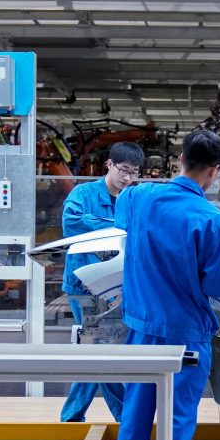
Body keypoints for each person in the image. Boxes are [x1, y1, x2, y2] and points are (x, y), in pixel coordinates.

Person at [114, 130, 220, 440]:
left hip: (140, 327)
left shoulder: (137, 197)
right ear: (215, 172)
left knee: (135, 412)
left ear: (180, 160)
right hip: (185, 335)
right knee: (177, 420)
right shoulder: (212, 221)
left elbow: (121, 227)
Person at [58, 141, 145, 423]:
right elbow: (72, 222)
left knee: (98, 350)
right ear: (109, 164)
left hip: (115, 286)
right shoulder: (83, 193)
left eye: (134, 173)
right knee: (101, 349)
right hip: (84, 284)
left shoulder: (130, 198)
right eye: (124, 170)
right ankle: (122, 417)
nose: (128, 178)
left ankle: (78, 418)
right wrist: (113, 226)